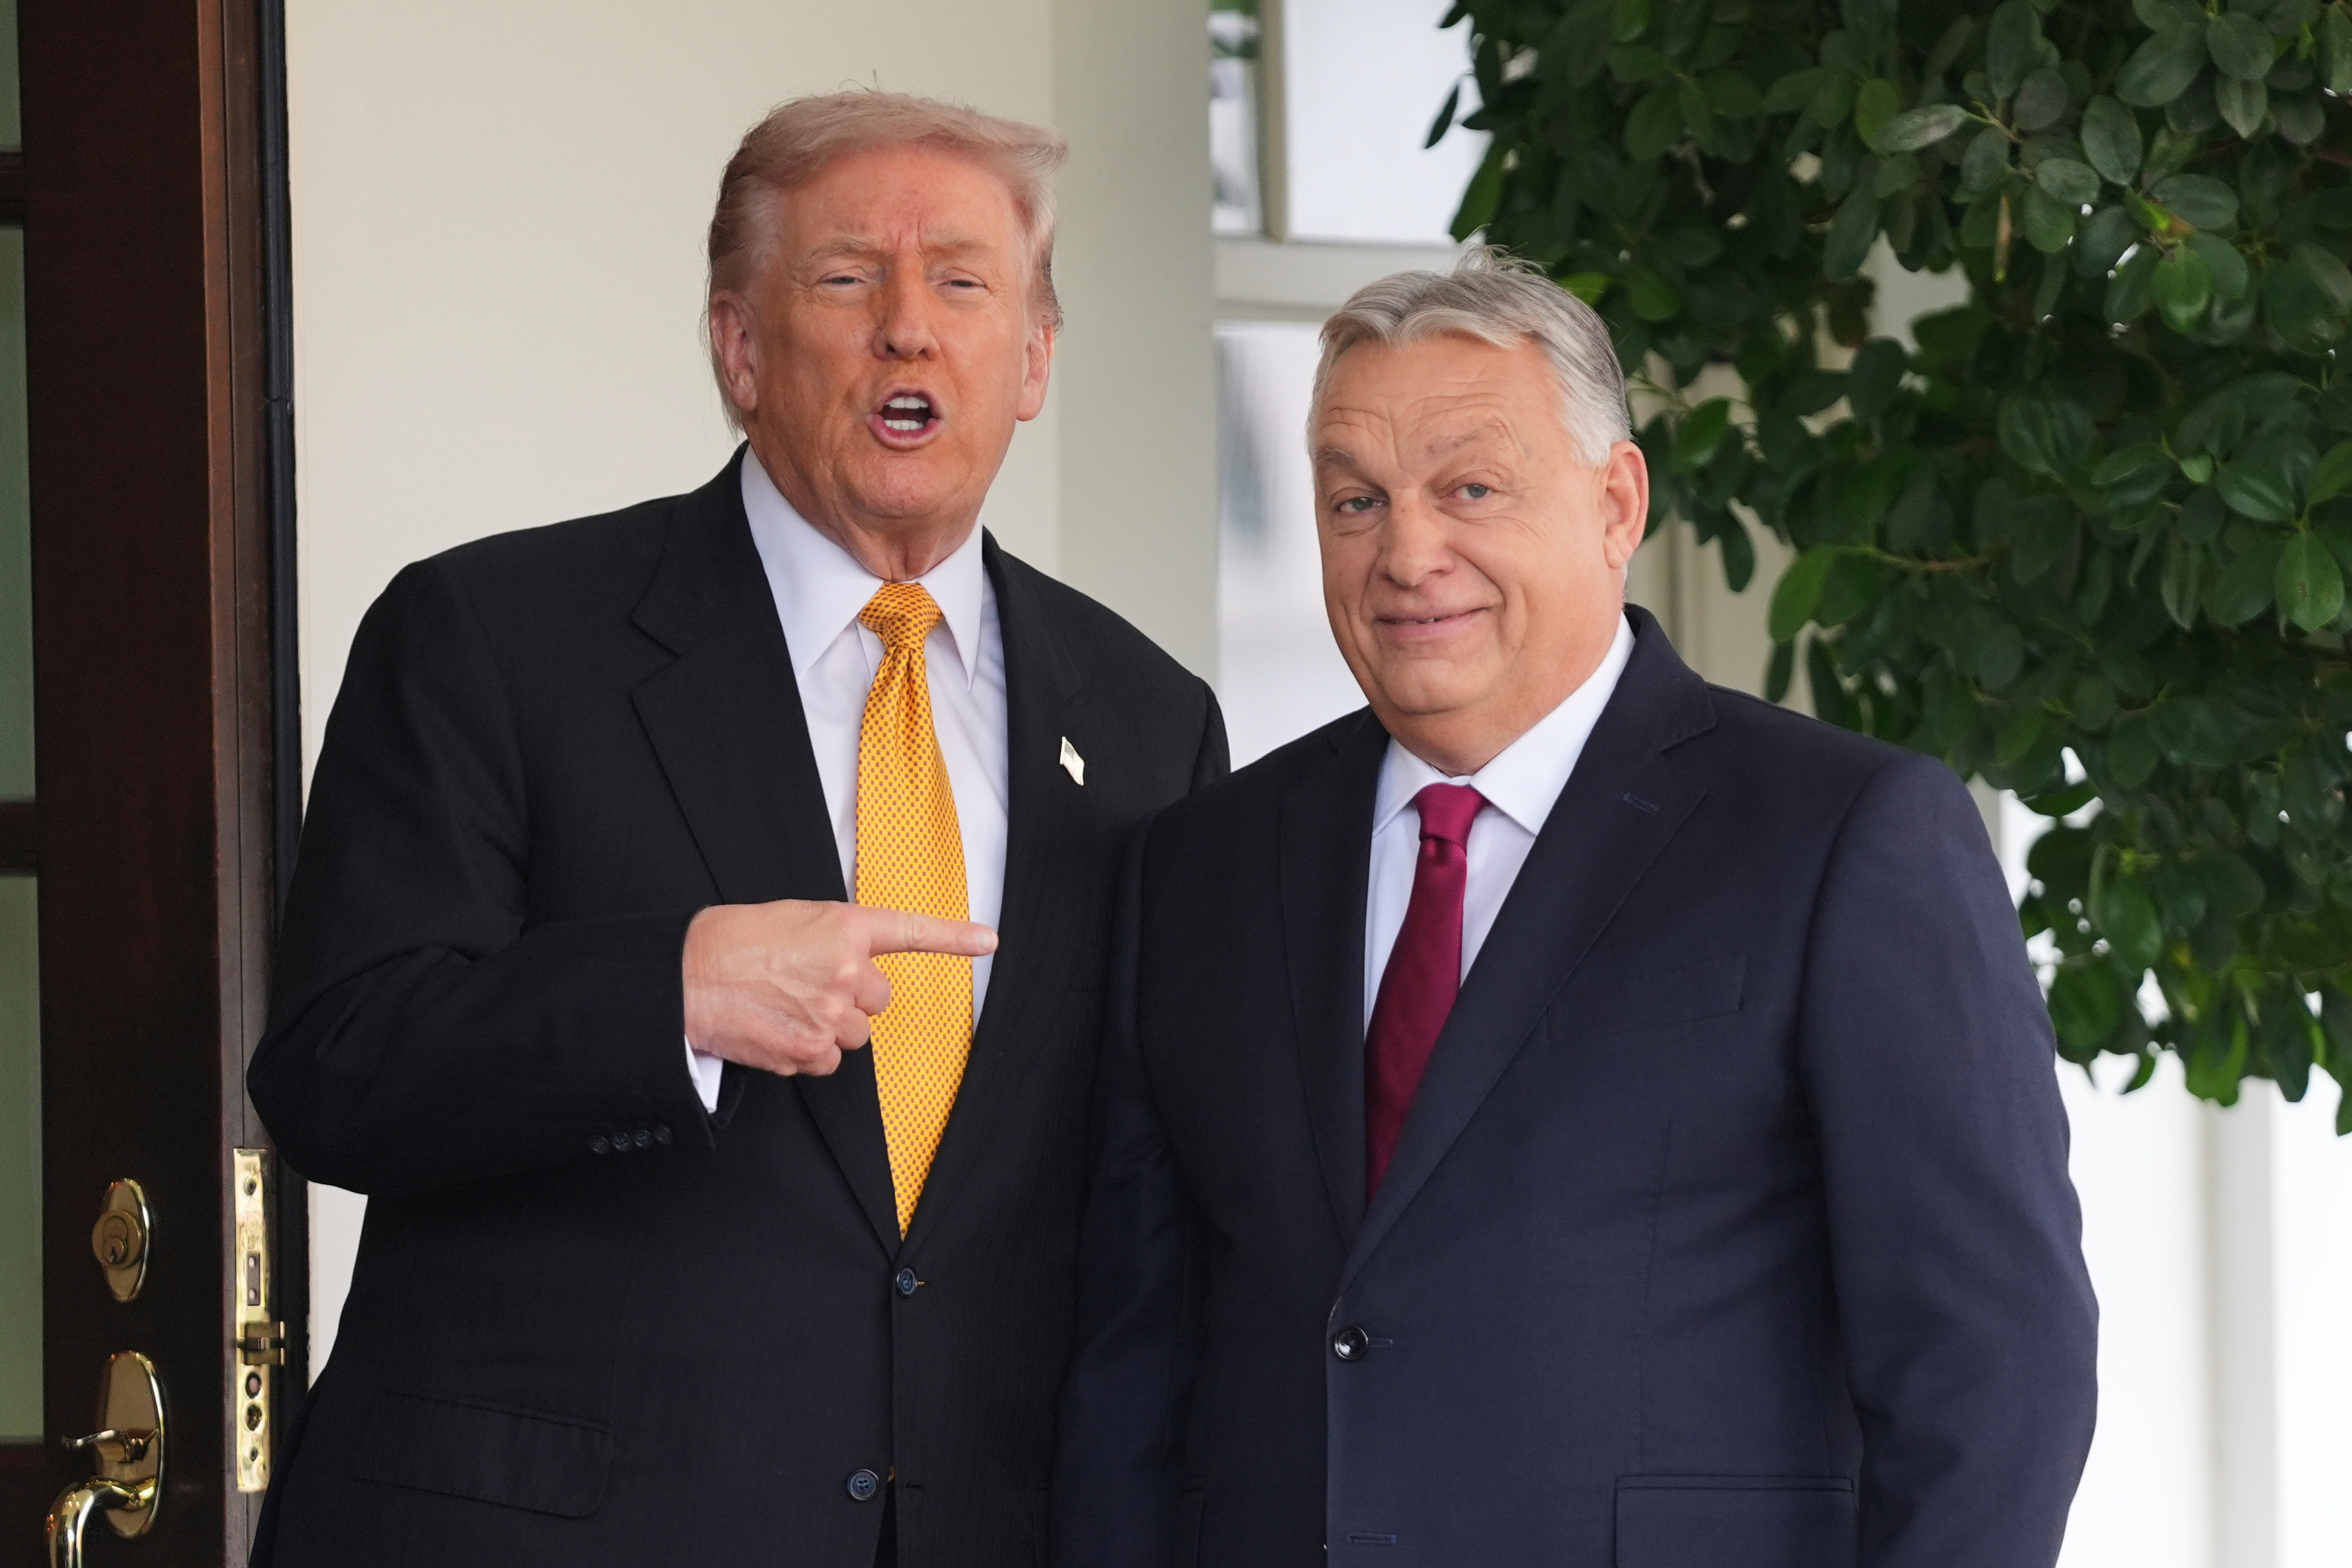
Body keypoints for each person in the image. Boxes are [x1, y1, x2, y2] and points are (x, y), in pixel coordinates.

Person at [248, 92, 1224, 1568]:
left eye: (961, 282)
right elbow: (337, 1067)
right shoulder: (494, 637)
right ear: (741, 348)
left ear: (1031, 361)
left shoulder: (1153, 718)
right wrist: (672, 995)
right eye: (847, 279)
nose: (909, 329)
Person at [1052, 249, 2096, 1568]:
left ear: (1616, 506)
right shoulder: (1197, 866)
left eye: (1469, 488)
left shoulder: (1844, 838)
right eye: (1355, 500)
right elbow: (1131, 1370)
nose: (1406, 551)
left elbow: (1994, 1371)